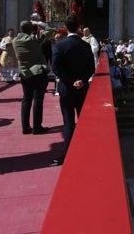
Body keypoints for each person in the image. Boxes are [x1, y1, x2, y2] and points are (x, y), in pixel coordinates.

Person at [51, 15, 95, 165]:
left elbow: (56, 68)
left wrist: (71, 81)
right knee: (84, 120)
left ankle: (69, 153)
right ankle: (87, 150)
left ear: (65, 27)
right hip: (82, 88)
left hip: (66, 89)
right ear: (78, 28)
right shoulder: (86, 45)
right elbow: (91, 68)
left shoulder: (60, 45)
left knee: (68, 122)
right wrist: (81, 80)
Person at [12, 20, 55, 135]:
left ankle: (25, 127)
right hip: (37, 72)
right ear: (31, 29)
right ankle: (37, 127)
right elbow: (50, 30)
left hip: (24, 73)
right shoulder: (34, 39)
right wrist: (39, 22)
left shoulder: (15, 40)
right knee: (38, 100)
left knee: (26, 100)